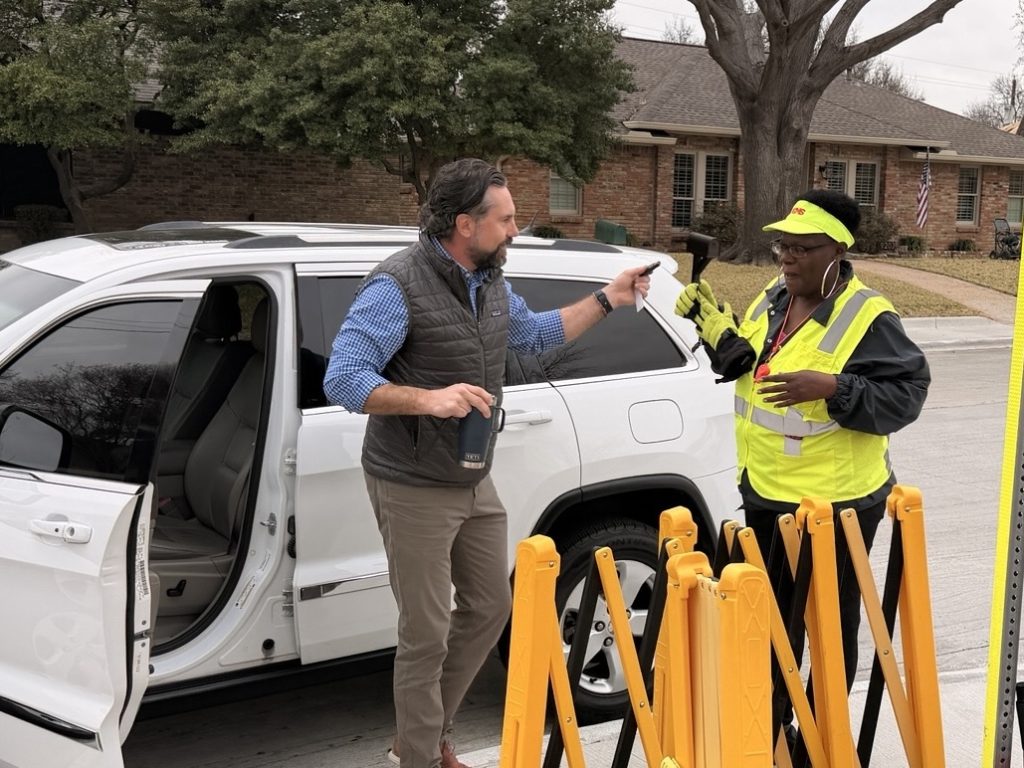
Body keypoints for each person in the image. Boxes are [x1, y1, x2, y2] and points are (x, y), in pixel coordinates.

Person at [323, 158, 651, 768]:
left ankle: (424, 737)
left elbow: (533, 336)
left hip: (473, 475)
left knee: (491, 607)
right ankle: (419, 757)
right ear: (464, 224)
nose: (515, 230)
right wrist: (429, 399)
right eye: (506, 219)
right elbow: (343, 377)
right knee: (425, 630)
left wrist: (609, 298)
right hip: (412, 481)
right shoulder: (397, 285)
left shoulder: (490, 282)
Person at [675, 188, 931, 692]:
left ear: (837, 250)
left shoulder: (869, 317)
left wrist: (834, 387)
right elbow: (754, 368)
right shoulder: (775, 297)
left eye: (802, 247)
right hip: (767, 493)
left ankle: (825, 730)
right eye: (783, 246)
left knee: (830, 626)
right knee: (772, 621)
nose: (787, 257)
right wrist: (714, 328)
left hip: (837, 506)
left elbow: (907, 396)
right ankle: (777, 724)